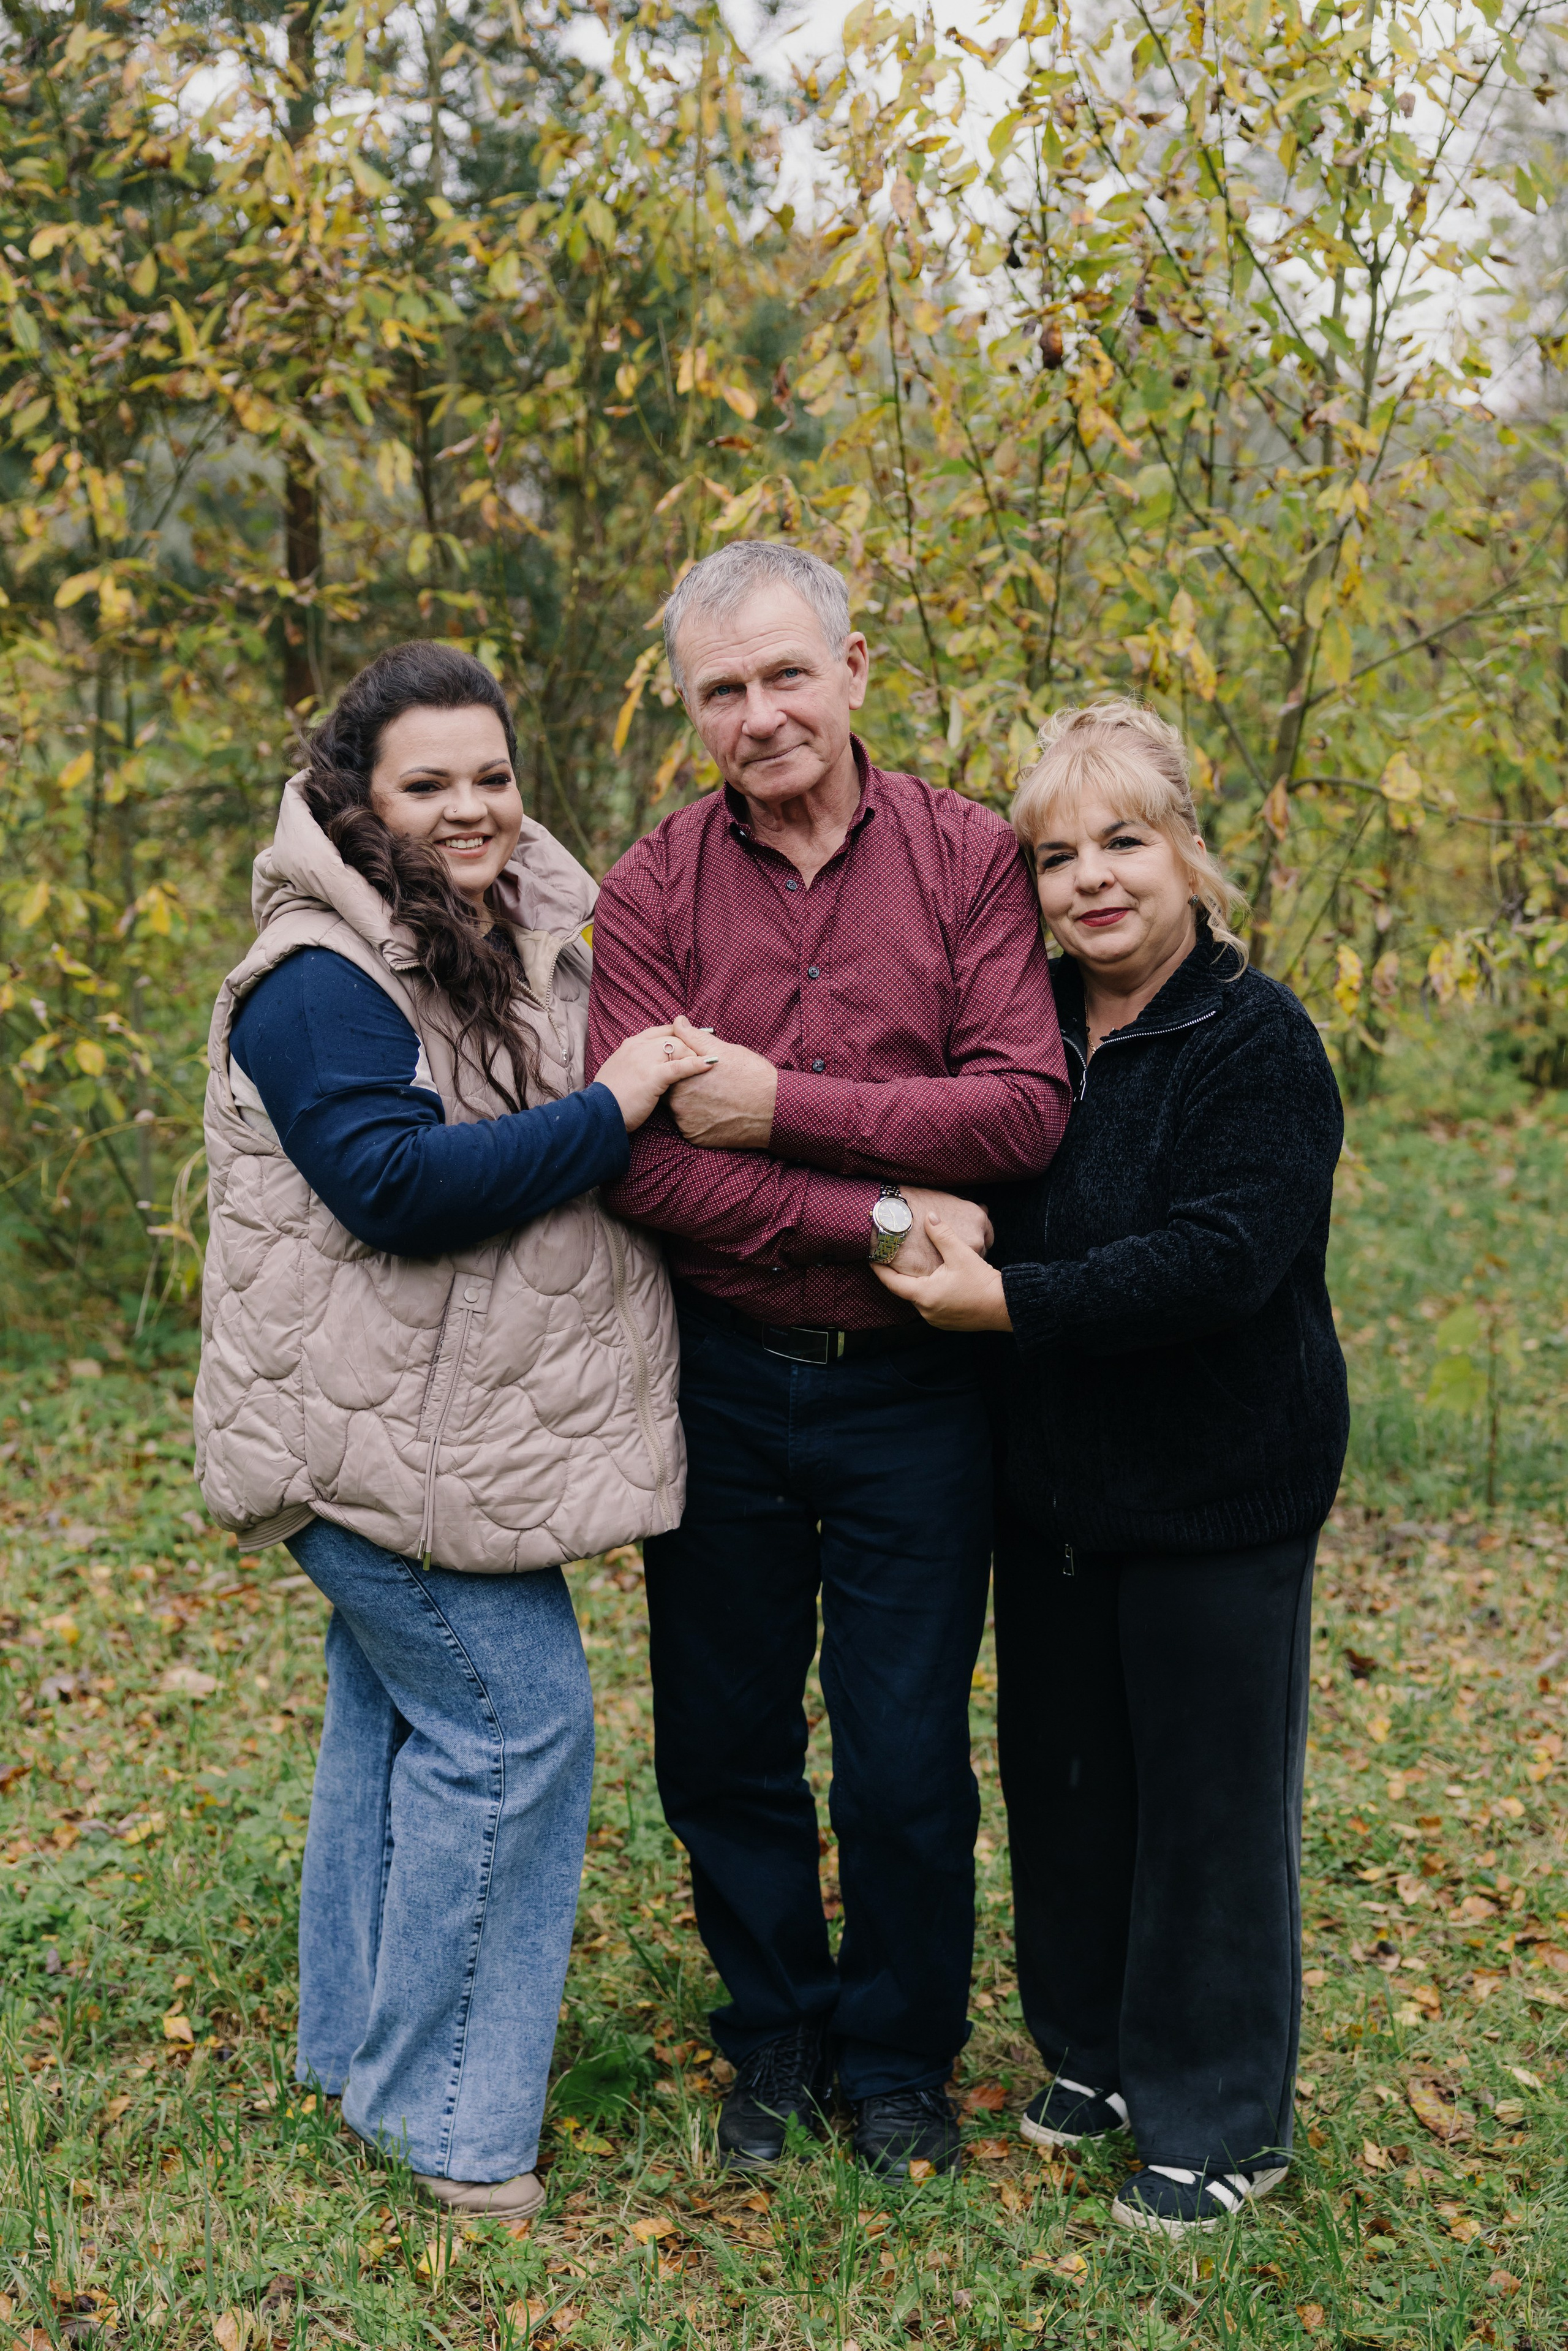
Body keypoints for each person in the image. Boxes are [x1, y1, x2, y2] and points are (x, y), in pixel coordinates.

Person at [193, 641, 715, 2219]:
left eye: (491, 774)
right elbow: (396, 1188)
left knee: (396, 1717)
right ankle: (445, 2121)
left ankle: (353, 2047)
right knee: (514, 1722)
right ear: (357, 800)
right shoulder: (317, 979)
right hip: (360, 1447)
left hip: (427, 1434)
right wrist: (616, 1107)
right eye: (429, 783)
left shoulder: (502, 932)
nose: (472, 806)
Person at [586, 540, 1072, 2178]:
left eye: (787, 673)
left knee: (904, 1752)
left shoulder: (965, 857)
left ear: (854, 669)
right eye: (722, 689)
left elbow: (1019, 1108)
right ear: (690, 709)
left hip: (914, 1390)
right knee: (722, 1740)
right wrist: (876, 1205)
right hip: (720, 1374)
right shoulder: (652, 890)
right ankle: (777, 2033)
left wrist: (776, 1106)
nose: (762, 714)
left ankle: (899, 2058)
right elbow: (641, 1164)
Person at [875, 698, 1348, 2235]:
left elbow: (1216, 1257)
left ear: (1187, 853)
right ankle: (1093, 2050)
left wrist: (1006, 1300)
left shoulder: (1252, 1038)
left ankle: (1220, 2117)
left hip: (1219, 1487)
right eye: (1055, 854)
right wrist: (945, 1219)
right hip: (1057, 1489)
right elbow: (977, 1168)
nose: (1090, 879)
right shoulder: (1029, 1037)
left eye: (1122, 841)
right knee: (1069, 1783)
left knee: (1207, 1809)